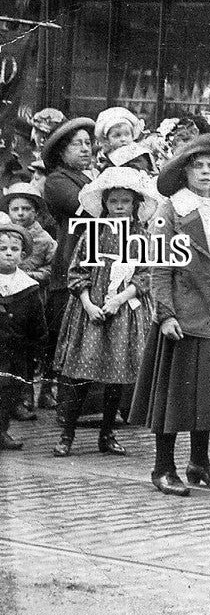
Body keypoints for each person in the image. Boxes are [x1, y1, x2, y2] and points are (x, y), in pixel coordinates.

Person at [129, 133, 210, 497]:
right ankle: (163, 466)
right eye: (198, 166)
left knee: (207, 394)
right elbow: (160, 269)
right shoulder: (171, 211)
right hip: (182, 316)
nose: (205, 172)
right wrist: (165, 314)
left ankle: (199, 463)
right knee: (173, 396)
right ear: (185, 171)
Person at [51, 167, 157, 459]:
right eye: (114, 201)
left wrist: (120, 299)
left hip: (124, 309)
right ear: (105, 204)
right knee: (81, 374)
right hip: (92, 309)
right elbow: (77, 272)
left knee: (116, 375)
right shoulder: (93, 234)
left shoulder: (142, 236)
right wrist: (88, 303)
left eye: (126, 201)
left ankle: (107, 433)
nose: (119, 207)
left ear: (135, 204)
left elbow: (146, 275)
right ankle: (67, 434)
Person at [42, 118, 97, 418]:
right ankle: (66, 406)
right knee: (69, 337)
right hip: (71, 262)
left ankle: (89, 406)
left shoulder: (90, 177)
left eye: (88, 143)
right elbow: (87, 207)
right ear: (62, 151)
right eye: (78, 144)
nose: (86, 148)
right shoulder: (57, 181)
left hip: (96, 260)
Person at [0, 223, 47, 451]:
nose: (9, 253)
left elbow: (37, 323)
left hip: (15, 351)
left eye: (14, 249)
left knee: (9, 391)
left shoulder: (27, 287)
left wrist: (37, 349)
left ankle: (1, 430)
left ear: (23, 253)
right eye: (2, 249)